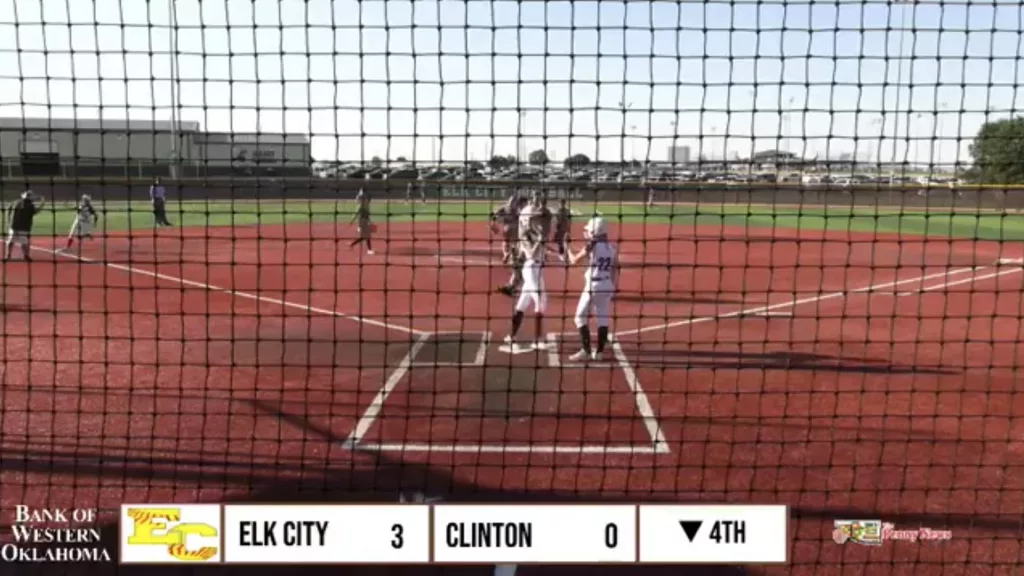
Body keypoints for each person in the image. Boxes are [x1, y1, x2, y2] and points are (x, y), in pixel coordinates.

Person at [568, 216, 618, 361]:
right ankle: (600, 352)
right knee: (602, 318)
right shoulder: (611, 247)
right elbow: (615, 268)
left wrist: (566, 247)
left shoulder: (592, 245)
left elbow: (574, 261)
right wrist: (613, 286)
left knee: (579, 317)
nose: (588, 232)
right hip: (607, 285)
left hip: (593, 286)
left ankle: (586, 350)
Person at [500, 228, 549, 353]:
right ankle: (537, 340)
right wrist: (539, 241)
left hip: (535, 270)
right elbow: (531, 254)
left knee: (522, 304)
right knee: (540, 302)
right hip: (531, 269)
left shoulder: (533, 235)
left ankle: (511, 336)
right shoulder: (525, 237)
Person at [5, 190, 45, 262]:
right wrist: (42, 203)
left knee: (11, 241)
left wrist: (9, 221)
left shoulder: (16, 202)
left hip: (14, 225)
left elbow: (8, 209)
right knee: (23, 242)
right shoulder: (29, 205)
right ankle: (26, 256)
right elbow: (36, 211)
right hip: (24, 227)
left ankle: (8, 255)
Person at [348, 190, 374, 254]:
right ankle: (369, 250)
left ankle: (352, 244)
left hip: (365, 221)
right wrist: (352, 221)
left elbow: (367, 215)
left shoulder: (367, 206)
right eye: (368, 199)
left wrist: (370, 222)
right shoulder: (361, 206)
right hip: (362, 222)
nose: (369, 201)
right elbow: (356, 214)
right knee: (367, 236)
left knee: (364, 237)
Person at [551, 197, 572, 262]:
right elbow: (570, 220)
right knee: (565, 242)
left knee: (560, 242)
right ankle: (565, 255)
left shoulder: (559, 211)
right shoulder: (567, 211)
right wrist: (569, 228)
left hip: (561, 229)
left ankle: (561, 255)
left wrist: (556, 230)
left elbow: (558, 221)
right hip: (566, 228)